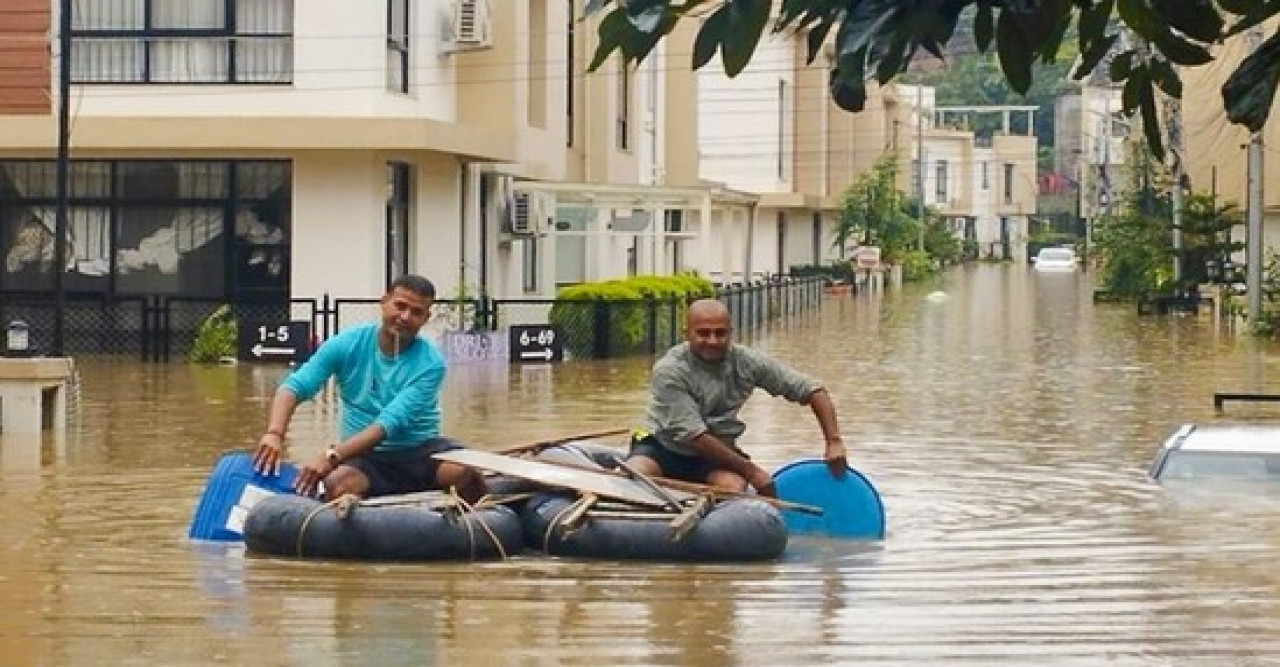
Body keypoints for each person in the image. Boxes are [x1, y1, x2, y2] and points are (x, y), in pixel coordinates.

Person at [251, 274, 487, 503]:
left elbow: (388, 424)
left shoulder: (431, 364)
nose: (405, 317)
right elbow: (295, 386)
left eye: (416, 312)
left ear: (426, 318)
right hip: (367, 458)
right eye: (400, 306)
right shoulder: (346, 344)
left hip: (420, 452)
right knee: (339, 484)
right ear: (384, 303)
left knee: (461, 472)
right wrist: (274, 434)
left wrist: (331, 456)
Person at [626, 298, 847, 497]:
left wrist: (834, 441)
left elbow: (813, 390)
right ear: (687, 334)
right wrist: (754, 472)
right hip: (664, 447)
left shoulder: (746, 362)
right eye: (703, 333)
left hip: (716, 452)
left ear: (731, 333)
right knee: (635, 475)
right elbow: (695, 436)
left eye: (720, 333)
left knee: (734, 488)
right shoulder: (669, 370)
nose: (712, 341)